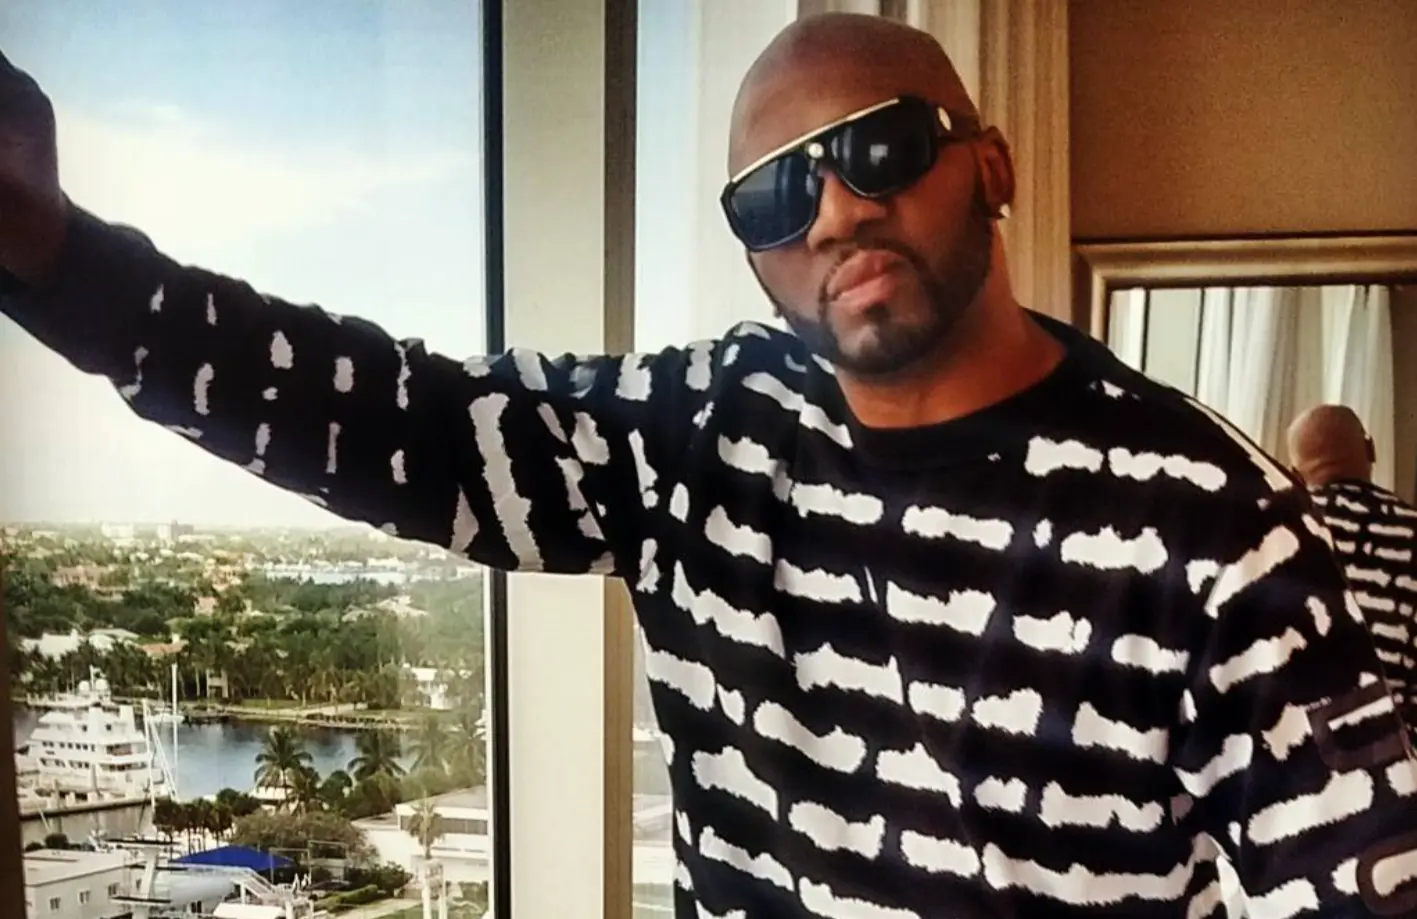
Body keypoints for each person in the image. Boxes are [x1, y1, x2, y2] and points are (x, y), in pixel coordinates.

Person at [3, 13, 1417, 918]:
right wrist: (59, 261)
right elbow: (392, 416)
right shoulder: (704, 436)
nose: (837, 209)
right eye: (777, 192)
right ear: (752, 248)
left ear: (989, 165)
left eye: (879, 148)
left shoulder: (1213, 526)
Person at [1289, 404, 1417, 729]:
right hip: (1398, 746)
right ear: (1370, 449)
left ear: (1294, 474)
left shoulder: (1275, 533)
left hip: (1291, 747)